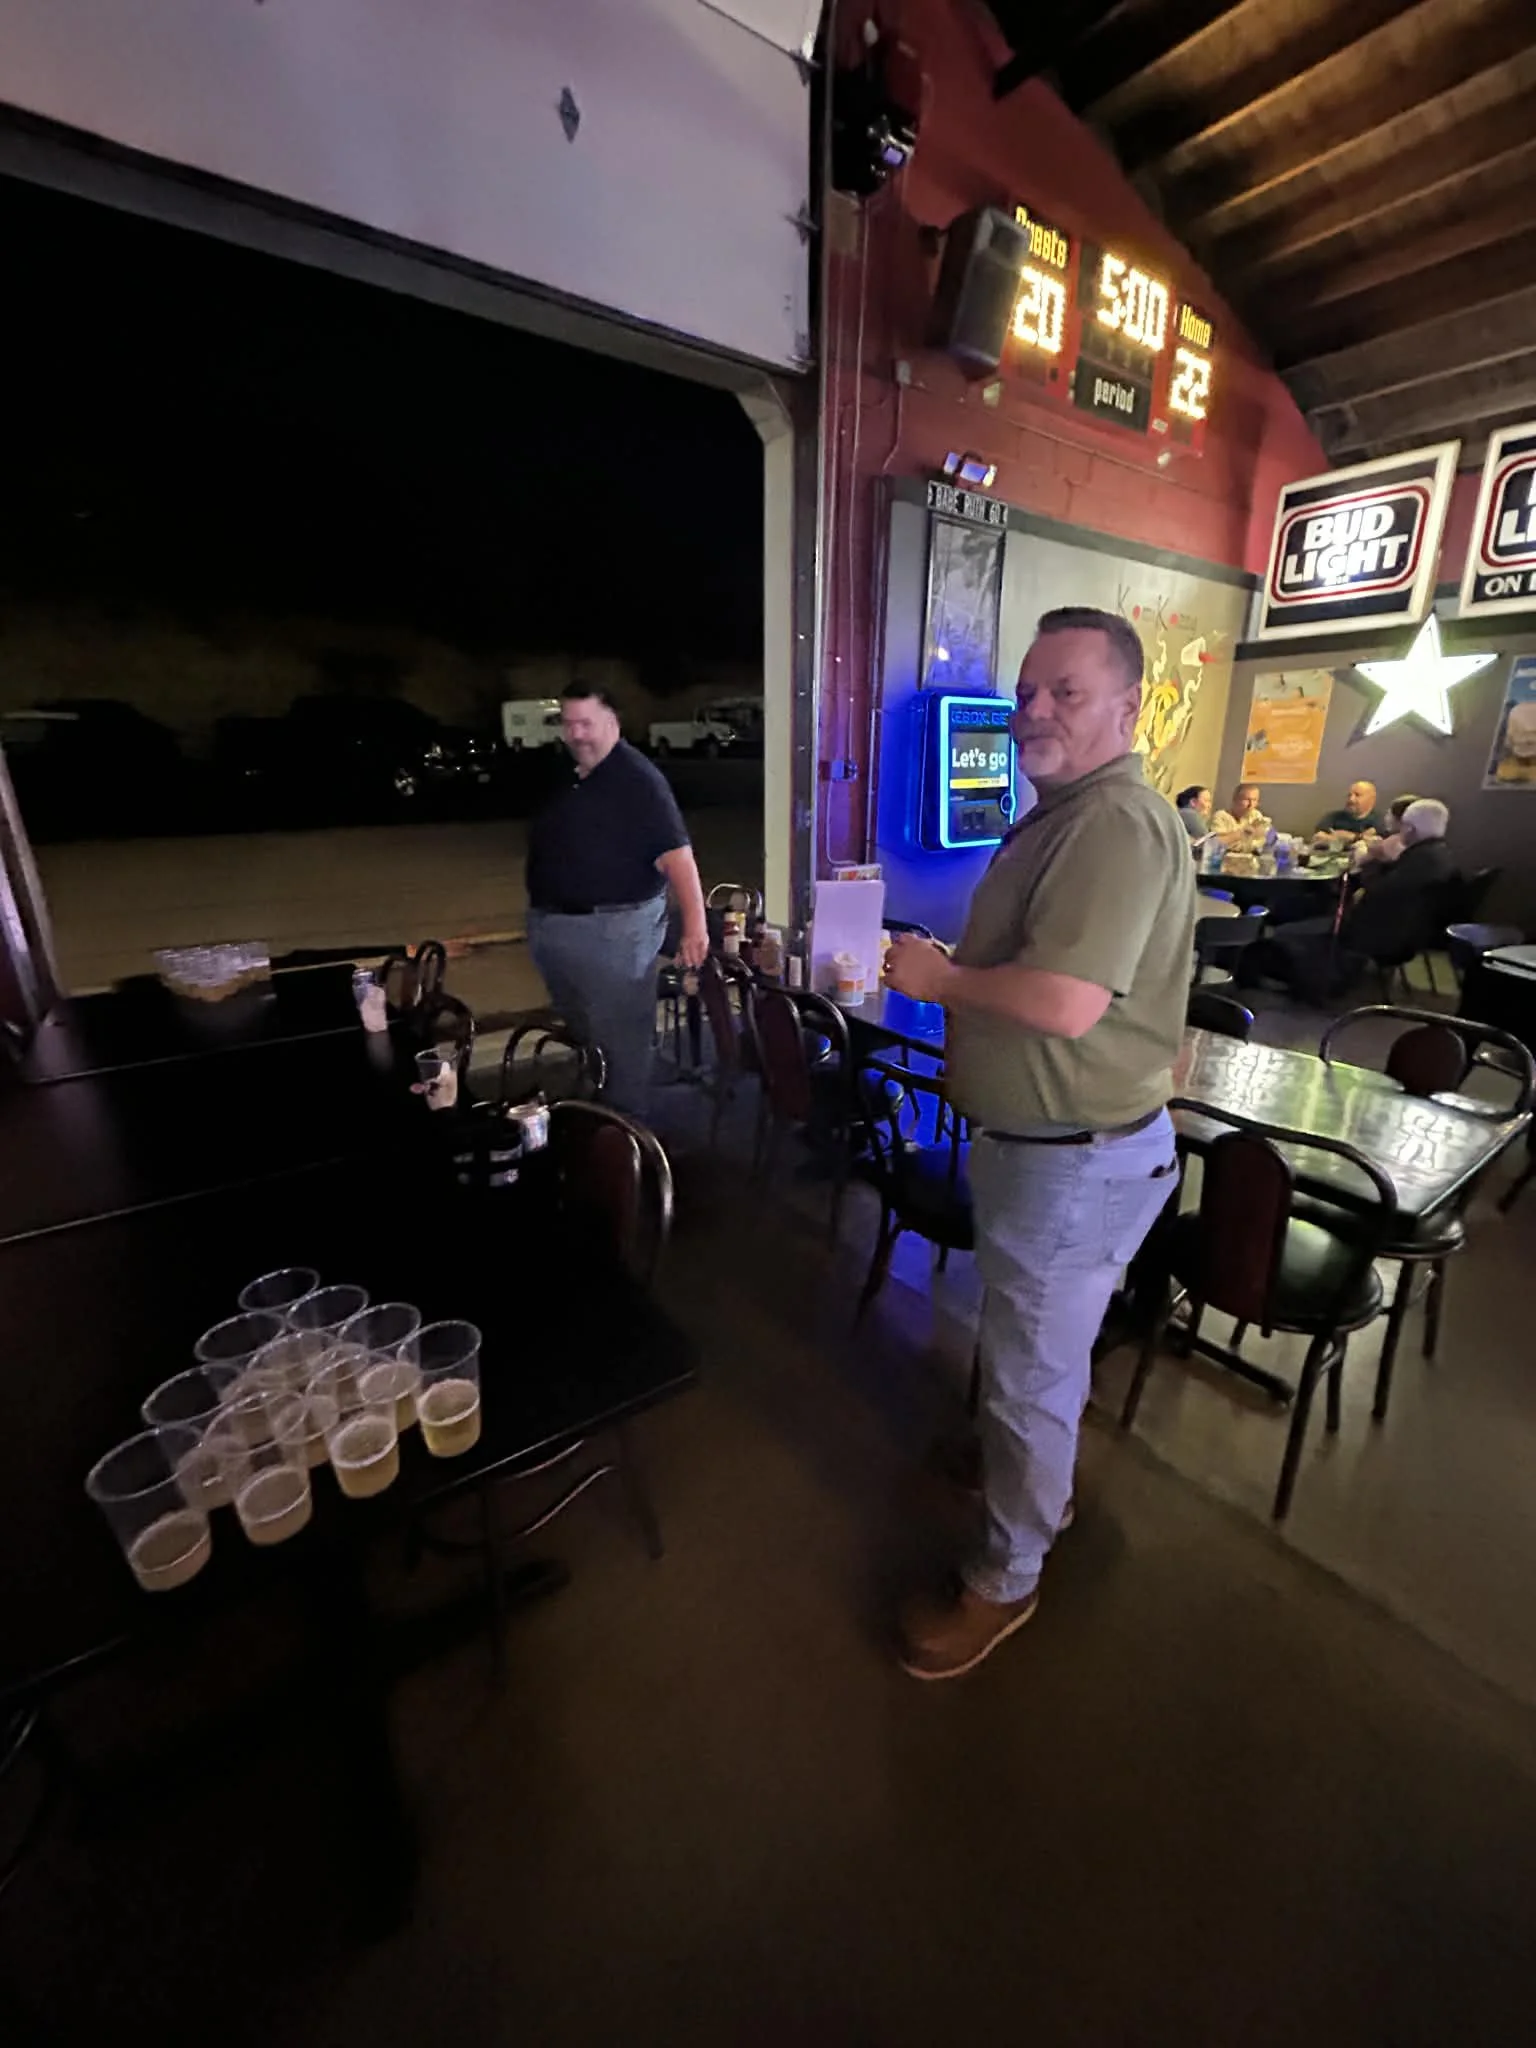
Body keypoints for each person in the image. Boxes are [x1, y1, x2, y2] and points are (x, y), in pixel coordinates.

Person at [884, 605, 1193, 1681]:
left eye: (1066, 690)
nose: (1034, 712)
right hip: (1052, 1148)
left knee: (1026, 1377)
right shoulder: (1066, 813)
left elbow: (1063, 1001)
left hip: (1072, 1156)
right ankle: (1031, 1479)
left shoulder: (1114, 820)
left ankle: (1004, 1579)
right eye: (1027, 691)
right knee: (1030, 1358)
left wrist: (941, 980)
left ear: (1127, 705)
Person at [525, 684, 708, 1111]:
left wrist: (695, 928)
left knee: (622, 1044)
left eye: (586, 723)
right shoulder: (571, 773)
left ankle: (627, 1143)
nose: (576, 734)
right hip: (556, 927)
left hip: (613, 934)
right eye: (568, 724)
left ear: (613, 723)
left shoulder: (636, 779)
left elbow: (679, 859)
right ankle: (603, 1109)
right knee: (591, 1035)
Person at [1244, 799, 1455, 1004]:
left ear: (1409, 829)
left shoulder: (1417, 864)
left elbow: (1373, 893)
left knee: (1292, 925)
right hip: (1406, 935)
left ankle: (1304, 984)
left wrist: (1372, 864)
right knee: (1310, 908)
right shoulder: (1438, 858)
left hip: (1375, 936)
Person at [1356, 793, 1418, 869]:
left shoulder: (1395, 841)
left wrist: (1363, 847)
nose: (1386, 818)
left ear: (1399, 818)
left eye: (1389, 814)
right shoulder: (1420, 838)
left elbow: (1361, 861)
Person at [1313, 779, 1382, 845]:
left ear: (1372, 799)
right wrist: (1361, 838)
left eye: (1357, 795)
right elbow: (1318, 837)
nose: (1351, 799)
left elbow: (1378, 844)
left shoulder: (1381, 822)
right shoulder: (1333, 817)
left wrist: (1352, 837)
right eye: (1349, 795)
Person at [1209, 782, 1269, 846]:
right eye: (1246, 799)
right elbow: (1216, 843)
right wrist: (1242, 834)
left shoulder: (1256, 815)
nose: (1251, 804)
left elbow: (1261, 842)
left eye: (1254, 800)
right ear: (1235, 799)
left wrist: (1231, 839)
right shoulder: (1221, 816)